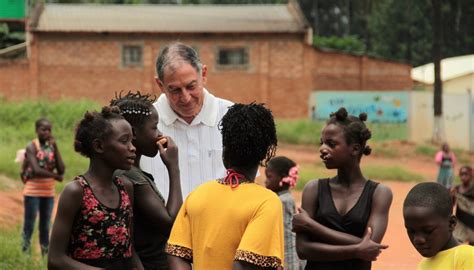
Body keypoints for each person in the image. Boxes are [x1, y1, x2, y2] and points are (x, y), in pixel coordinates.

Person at [166, 103, 284, 269]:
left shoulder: (198, 194)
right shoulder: (266, 202)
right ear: (265, 153)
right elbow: (243, 266)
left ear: (225, 151)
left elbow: (176, 255)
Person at [293, 107, 392, 270]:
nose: (322, 149)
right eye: (322, 143)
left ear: (355, 149)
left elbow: (372, 247)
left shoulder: (379, 193)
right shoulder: (314, 189)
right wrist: (357, 249)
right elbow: (303, 250)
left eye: (331, 144)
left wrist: (311, 226)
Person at [48, 106, 143, 270]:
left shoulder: (125, 188)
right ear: (99, 146)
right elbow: (55, 260)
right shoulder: (76, 192)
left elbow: (129, 249)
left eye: (132, 141)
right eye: (124, 141)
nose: (132, 147)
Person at [140, 42, 233, 199]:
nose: (186, 98)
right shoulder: (144, 124)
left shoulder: (232, 117)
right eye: (175, 90)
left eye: (191, 86)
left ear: (203, 74)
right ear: (160, 85)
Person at [110, 91, 182, 269]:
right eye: (154, 127)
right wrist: (174, 168)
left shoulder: (133, 173)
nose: (159, 134)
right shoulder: (129, 176)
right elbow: (171, 223)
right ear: (133, 133)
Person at [403, 182, 474, 270]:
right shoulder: (423, 265)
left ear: (451, 223)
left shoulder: (467, 256)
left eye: (428, 231)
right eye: (411, 231)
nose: (418, 240)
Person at [21, 118, 65, 256]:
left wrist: (56, 146)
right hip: (32, 192)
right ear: (36, 130)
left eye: (49, 130)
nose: (47, 132)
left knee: (45, 225)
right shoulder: (32, 146)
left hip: (48, 192)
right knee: (29, 223)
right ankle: (25, 253)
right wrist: (55, 176)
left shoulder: (51, 146)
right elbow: (36, 170)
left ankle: (44, 254)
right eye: (43, 129)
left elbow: (62, 169)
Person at [265, 156, 302, 270]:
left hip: (287, 260)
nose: (266, 181)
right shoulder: (283, 198)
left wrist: (286, 264)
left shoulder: (283, 201)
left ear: (282, 178)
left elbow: (286, 235)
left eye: (269, 177)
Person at [451, 165, 474, 245]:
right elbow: (452, 205)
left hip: (472, 223)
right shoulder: (456, 189)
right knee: (456, 244)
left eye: (466, 174)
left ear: (471, 175)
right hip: (460, 223)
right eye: (461, 174)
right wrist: (452, 196)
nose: (463, 177)